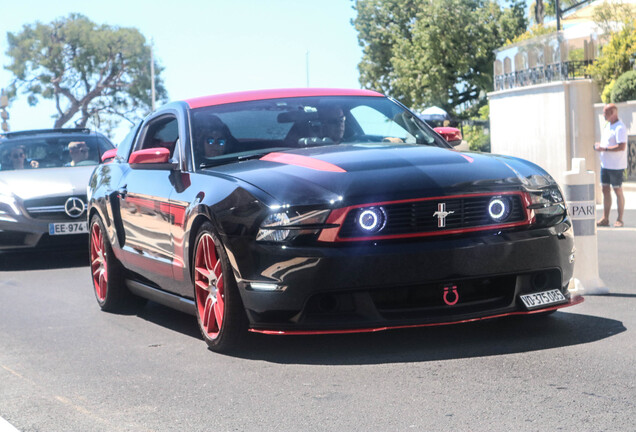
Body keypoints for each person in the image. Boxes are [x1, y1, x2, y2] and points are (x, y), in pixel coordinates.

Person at [594, 103, 628, 228]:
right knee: (605, 190)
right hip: (605, 165)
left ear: (613, 112)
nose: (604, 115)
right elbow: (607, 143)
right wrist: (600, 146)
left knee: (617, 190)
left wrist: (605, 149)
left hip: (616, 166)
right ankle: (605, 218)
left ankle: (620, 219)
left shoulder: (620, 127)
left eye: (606, 113)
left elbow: (621, 146)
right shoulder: (608, 126)